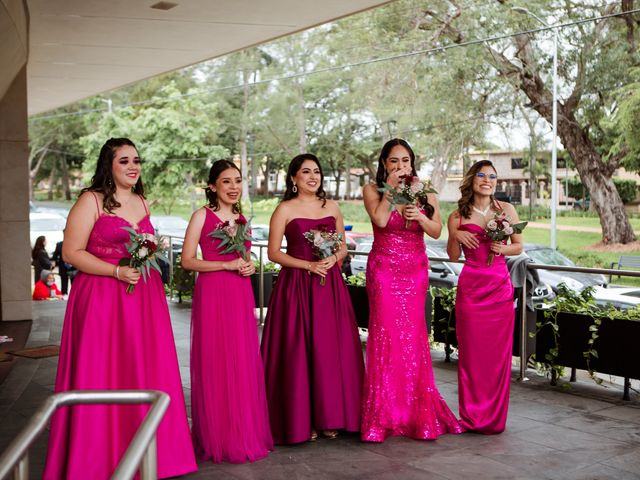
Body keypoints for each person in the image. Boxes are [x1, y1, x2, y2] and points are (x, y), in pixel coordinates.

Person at [43, 138, 197, 479]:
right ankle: (97, 457)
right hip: (101, 296)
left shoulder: (141, 201)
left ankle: (151, 454)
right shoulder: (92, 200)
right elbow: (71, 253)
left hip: (143, 298)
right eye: (124, 160)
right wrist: (114, 270)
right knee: (102, 369)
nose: (133, 166)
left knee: (143, 367)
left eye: (137, 160)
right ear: (108, 166)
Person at [360, 138, 462, 442]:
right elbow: (379, 219)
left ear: (412, 163)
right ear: (384, 164)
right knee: (386, 336)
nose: (400, 166)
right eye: (394, 161)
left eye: (405, 161)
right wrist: (392, 190)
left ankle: (415, 412)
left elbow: (436, 231)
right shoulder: (371, 189)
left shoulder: (426, 190)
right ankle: (383, 415)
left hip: (414, 270)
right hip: (384, 270)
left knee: (412, 338)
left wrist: (419, 215)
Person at [260, 153, 364, 444]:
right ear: (293, 178)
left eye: (316, 171)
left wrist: (333, 258)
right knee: (299, 350)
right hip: (296, 286)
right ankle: (302, 420)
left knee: (329, 349)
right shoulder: (284, 209)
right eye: (305, 172)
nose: (312, 176)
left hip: (328, 286)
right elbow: (273, 253)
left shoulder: (331, 206)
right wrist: (307, 265)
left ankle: (330, 416)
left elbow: (343, 247)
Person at [182, 159, 273, 463]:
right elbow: (188, 261)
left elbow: (242, 256)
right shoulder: (201, 216)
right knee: (216, 360)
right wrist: (225, 264)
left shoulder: (242, 218)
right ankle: (217, 435)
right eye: (226, 182)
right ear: (212, 186)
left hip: (238, 293)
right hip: (213, 293)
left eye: (237, 181)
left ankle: (241, 431)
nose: (234, 187)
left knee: (242, 360)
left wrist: (247, 266)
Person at [447, 160, 523, 434]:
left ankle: (493, 420)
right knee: (470, 356)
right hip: (471, 289)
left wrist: (501, 249)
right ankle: (469, 419)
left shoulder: (507, 210)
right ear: (472, 179)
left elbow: (518, 247)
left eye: (492, 176)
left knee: (496, 358)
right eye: (482, 175)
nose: (487, 180)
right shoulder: (456, 216)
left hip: (499, 289)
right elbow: (452, 256)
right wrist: (455, 235)